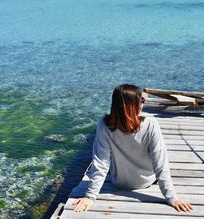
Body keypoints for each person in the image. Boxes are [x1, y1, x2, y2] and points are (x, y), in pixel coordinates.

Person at [73, 84, 193, 213]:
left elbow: (101, 163)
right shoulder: (150, 124)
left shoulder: (104, 125)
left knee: (105, 165)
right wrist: (172, 198)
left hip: (118, 182)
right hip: (146, 182)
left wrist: (90, 196)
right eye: (142, 100)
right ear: (133, 105)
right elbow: (160, 164)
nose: (143, 103)